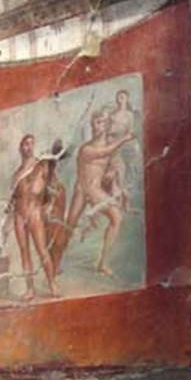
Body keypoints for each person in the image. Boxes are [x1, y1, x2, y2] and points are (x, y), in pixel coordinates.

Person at [64, 110, 135, 277]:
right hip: (82, 189)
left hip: (95, 190)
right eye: (95, 122)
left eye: (101, 122)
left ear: (106, 125)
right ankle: (55, 259)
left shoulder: (109, 147)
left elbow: (113, 162)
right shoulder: (86, 148)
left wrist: (112, 171)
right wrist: (124, 139)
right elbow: (103, 153)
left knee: (116, 218)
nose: (98, 126)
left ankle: (102, 262)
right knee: (69, 225)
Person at [9, 134, 66, 301]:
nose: (29, 147)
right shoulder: (16, 174)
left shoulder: (42, 166)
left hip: (35, 213)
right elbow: (14, 199)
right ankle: (30, 289)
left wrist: (49, 205)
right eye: (25, 144)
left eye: (31, 143)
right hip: (19, 216)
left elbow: (54, 187)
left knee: (42, 251)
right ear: (20, 148)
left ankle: (52, 284)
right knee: (24, 252)